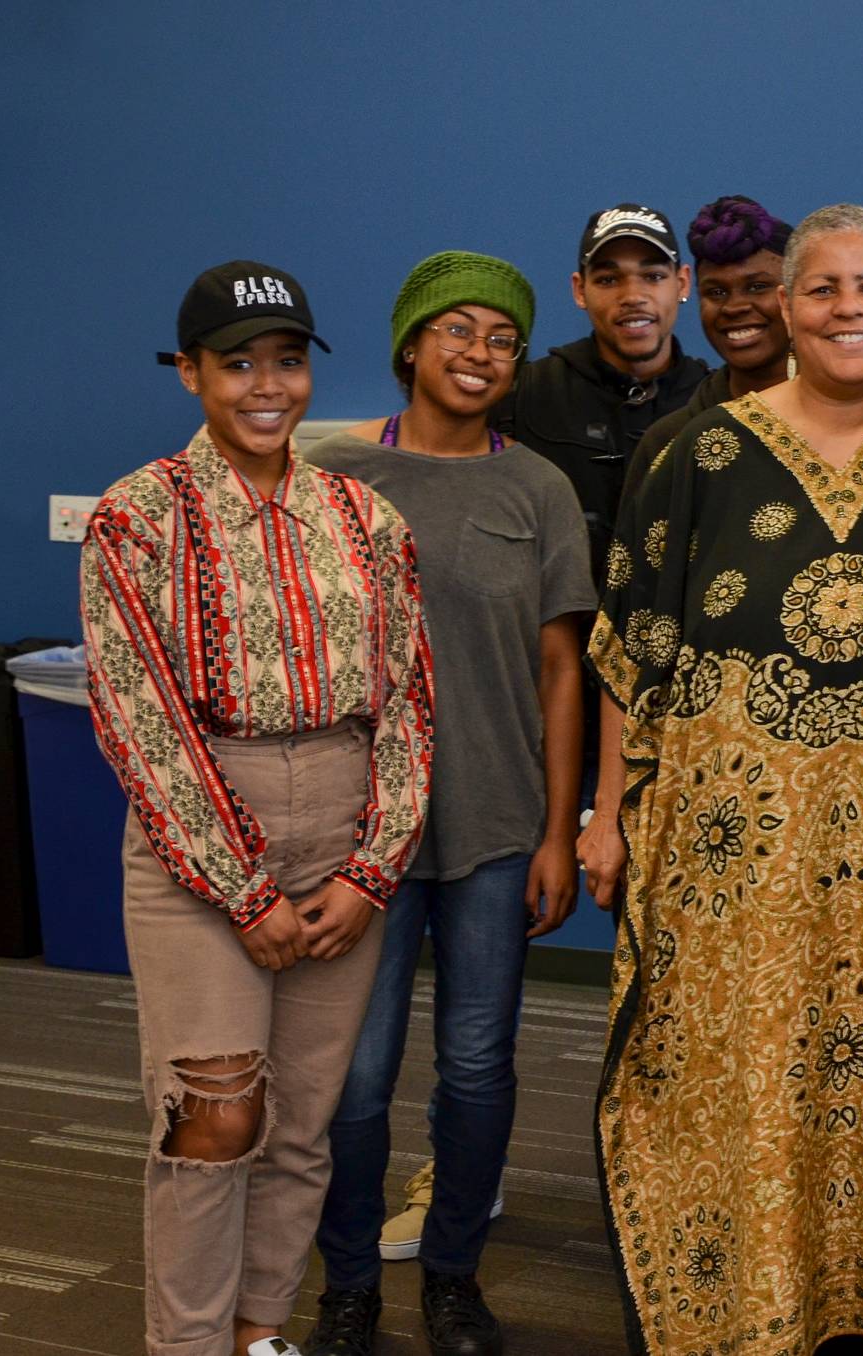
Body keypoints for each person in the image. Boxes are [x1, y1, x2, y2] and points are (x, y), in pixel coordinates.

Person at [581, 204, 863, 1354]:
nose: (848, 309)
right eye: (823, 290)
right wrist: (611, 813)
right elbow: (630, 652)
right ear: (784, 311)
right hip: (733, 873)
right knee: (735, 1083)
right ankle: (748, 1309)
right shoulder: (699, 454)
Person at [83, 261, 433, 1356]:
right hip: (201, 836)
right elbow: (139, 715)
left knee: (300, 1124)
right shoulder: (138, 517)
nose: (267, 385)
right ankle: (187, 1345)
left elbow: (411, 699)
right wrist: (241, 888)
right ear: (191, 374)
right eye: (239, 364)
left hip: (342, 830)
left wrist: (372, 868)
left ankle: (258, 1332)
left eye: (286, 361)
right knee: (215, 1115)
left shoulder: (361, 513)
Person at [299, 253, 593, 1356]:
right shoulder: (331, 474)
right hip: (354, 831)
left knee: (477, 1066)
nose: (479, 354)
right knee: (356, 1075)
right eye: (457, 331)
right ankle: (348, 1284)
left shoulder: (539, 488)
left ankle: (456, 1275)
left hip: (496, 825)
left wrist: (561, 831)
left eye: (502, 339)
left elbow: (564, 669)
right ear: (411, 344)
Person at [494, 201, 709, 590]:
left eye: (653, 276)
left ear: (683, 283)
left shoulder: (718, 402)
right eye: (609, 280)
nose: (633, 295)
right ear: (580, 290)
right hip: (557, 641)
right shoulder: (522, 396)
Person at [623, 194, 794, 501]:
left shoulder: (853, 421)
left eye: (757, 287)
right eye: (716, 292)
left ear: (797, 296)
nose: (734, 307)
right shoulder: (668, 443)